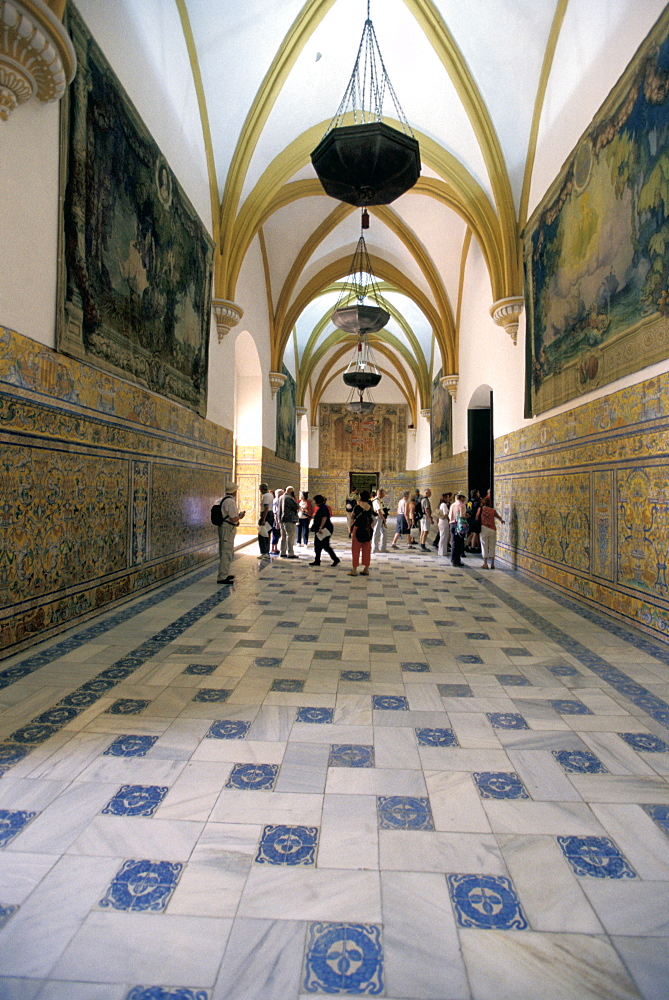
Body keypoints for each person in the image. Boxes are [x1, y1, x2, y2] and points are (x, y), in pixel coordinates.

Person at [216, 482, 245, 584]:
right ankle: (222, 577)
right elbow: (233, 518)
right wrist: (240, 516)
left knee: (226, 551)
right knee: (226, 552)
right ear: (234, 491)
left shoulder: (224, 500)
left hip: (225, 527)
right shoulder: (230, 502)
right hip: (227, 529)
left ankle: (224, 573)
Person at [309, 494, 340, 567]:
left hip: (324, 529)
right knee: (319, 545)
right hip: (324, 528)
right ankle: (317, 560)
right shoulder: (322, 507)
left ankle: (335, 559)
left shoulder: (323, 508)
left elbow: (324, 518)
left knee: (324, 545)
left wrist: (320, 527)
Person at [349, 489, 375, 576]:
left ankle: (354, 569)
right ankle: (366, 568)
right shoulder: (370, 507)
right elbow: (372, 519)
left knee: (355, 549)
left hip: (358, 529)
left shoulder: (357, 507)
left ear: (360, 497)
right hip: (367, 530)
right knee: (367, 549)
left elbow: (352, 517)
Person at [477, 495, 505, 569]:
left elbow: (476, 517)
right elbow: (498, 517)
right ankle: (492, 564)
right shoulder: (493, 510)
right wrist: (502, 521)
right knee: (492, 545)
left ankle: (485, 563)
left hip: (484, 528)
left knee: (484, 545)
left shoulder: (480, 509)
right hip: (492, 529)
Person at [279, 486, 299, 558]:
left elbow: (279, 510)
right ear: (291, 491)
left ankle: (282, 552)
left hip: (282, 520)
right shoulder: (289, 498)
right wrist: (294, 498)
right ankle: (290, 553)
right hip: (289, 519)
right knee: (290, 536)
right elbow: (296, 507)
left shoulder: (281, 497)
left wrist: (279, 521)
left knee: (283, 536)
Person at [449, 492, 468, 567]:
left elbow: (450, 515)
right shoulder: (462, 505)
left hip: (452, 524)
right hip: (459, 525)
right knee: (459, 543)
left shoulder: (452, 505)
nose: (465, 499)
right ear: (461, 497)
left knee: (454, 542)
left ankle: (453, 559)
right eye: (464, 497)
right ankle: (457, 561)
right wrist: (467, 516)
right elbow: (462, 516)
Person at [257, 482, 273, 558]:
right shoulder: (270, 494)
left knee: (262, 534)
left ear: (262, 489)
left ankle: (264, 552)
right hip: (270, 515)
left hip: (266, 515)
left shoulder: (265, 496)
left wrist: (263, 519)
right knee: (267, 534)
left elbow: (266, 508)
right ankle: (267, 551)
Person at [372, 488, 387, 553]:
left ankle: (383, 548)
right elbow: (378, 511)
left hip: (381, 517)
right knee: (376, 533)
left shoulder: (380, 500)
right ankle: (375, 548)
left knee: (384, 532)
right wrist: (383, 518)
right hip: (378, 518)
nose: (384, 495)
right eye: (384, 493)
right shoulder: (376, 501)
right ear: (380, 493)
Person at [436, 493, 450, 557]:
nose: (449, 498)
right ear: (444, 498)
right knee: (443, 537)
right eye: (448, 497)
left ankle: (442, 551)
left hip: (441, 521)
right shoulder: (444, 505)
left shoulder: (441, 504)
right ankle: (442, 551)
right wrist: (450, 519)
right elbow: (445, 514)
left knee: (443, 536)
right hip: (444, 522)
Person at [270, 489, 283, 555]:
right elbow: (275, 512)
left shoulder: (279, 500)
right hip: (276, 520)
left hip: (278, 519)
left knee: (278, 534)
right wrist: (277, 522)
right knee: (275, 534)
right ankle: (273, 548)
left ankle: (275, 547)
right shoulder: (276, 500)